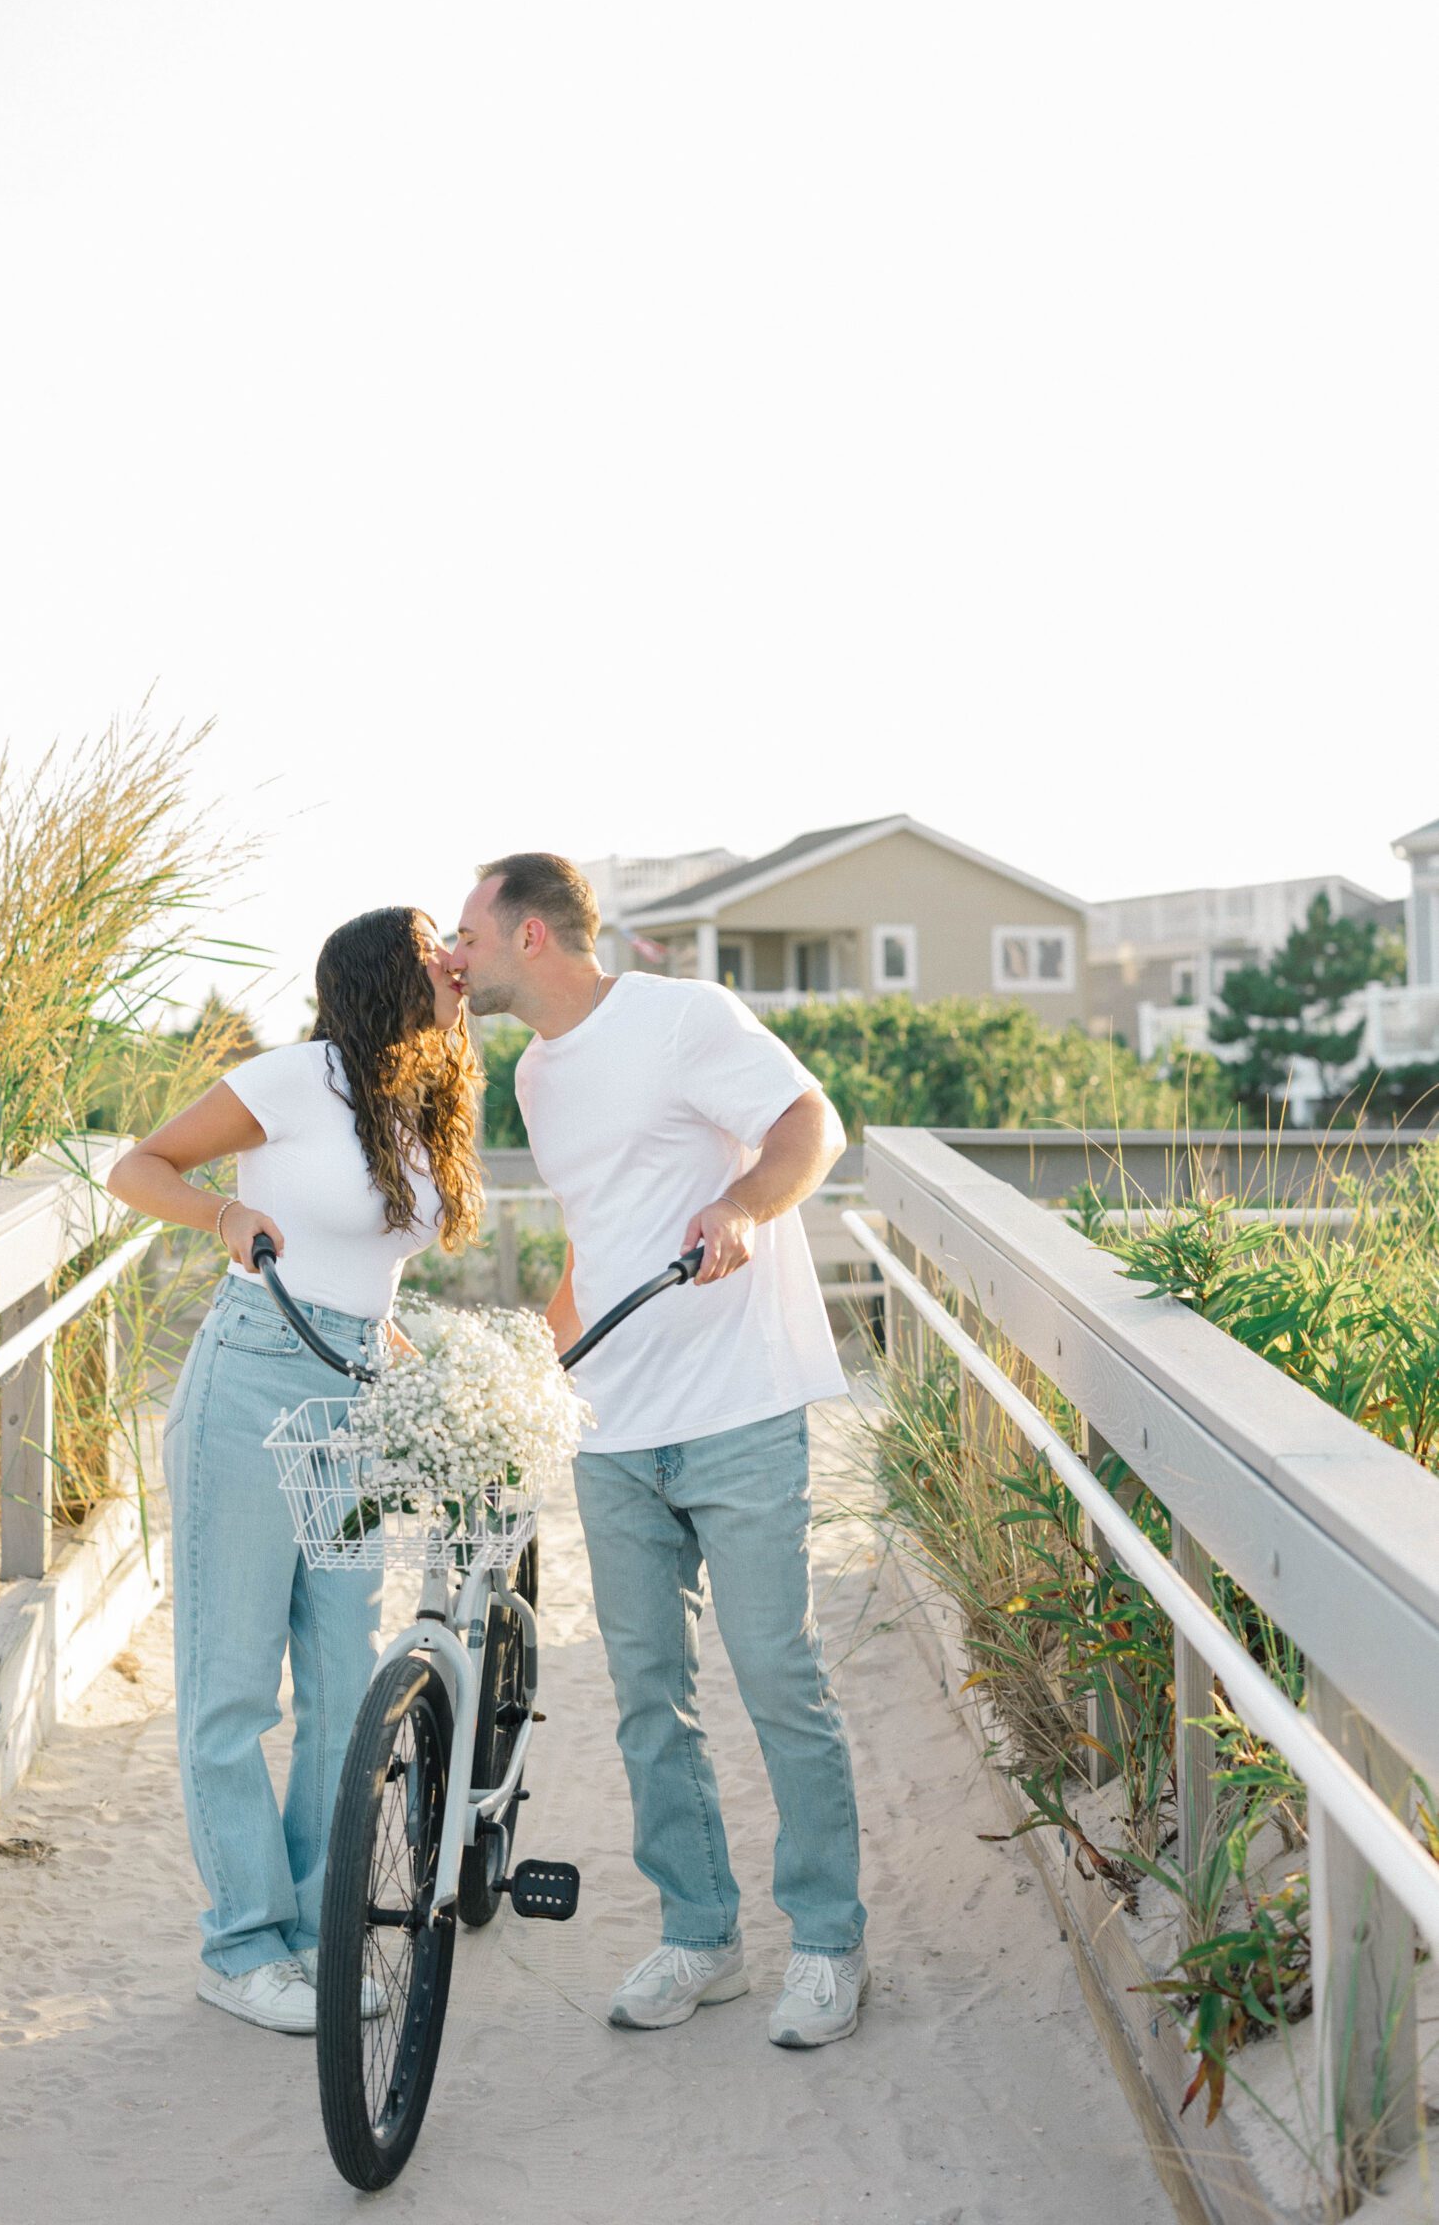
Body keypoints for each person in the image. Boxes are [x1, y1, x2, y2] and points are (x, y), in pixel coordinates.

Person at [449, 854, 867, 2049]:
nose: (455, 955)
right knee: (648, 1696)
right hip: (614, 1426)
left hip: (738, 1406)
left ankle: (828, 1943)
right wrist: (530, 1366)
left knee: (777, 1675)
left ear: (530, 934)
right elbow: (598, 1244)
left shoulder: (683, 1017)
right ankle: (702, 1935)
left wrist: (743, 1206)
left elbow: (812, 1123)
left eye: (468, 932)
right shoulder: (535, 1074)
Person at [106, 908, 480, 2033]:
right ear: (383, 974)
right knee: (232, 1685)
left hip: (353, 1391)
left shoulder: (414, 1094)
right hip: (252, 1384)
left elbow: (366, 1259)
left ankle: (318, 1934)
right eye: (433, 946)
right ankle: (240, 1946)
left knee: (342, 1682)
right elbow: (137, 1166)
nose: (453, 962)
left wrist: (397, 1345)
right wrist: (222, 1209)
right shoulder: (291, 1077)